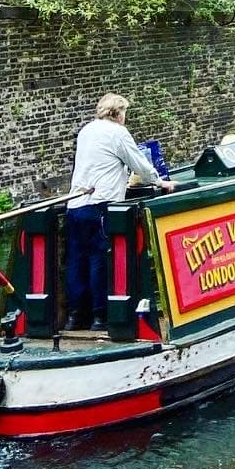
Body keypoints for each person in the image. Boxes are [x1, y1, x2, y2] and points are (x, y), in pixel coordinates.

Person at [65, 93, 175, 330]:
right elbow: (139, 164)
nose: (126, 116)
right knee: (98, 260)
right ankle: (99, 318)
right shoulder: (117, 133)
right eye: (125, 112)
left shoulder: (86, 130)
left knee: (77, 261)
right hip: (100, 205)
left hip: (75, 205)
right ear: (117, 112)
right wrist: (160, 182)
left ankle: (74, 318)